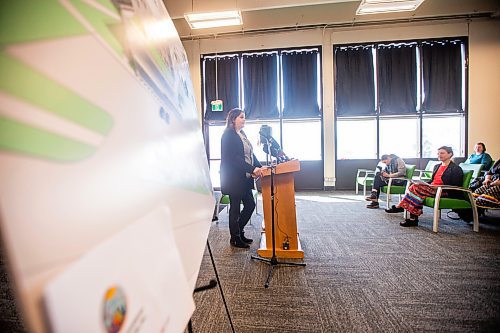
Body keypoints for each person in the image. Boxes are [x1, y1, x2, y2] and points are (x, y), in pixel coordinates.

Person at [385, 146, 463, 227]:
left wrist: (438, 187)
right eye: (438, 153)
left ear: (450, 154)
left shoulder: (456, 168)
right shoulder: (437, 166)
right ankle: (412, 218)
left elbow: (455, 185)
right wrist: (424, 183)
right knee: (415, 186)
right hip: (432, 188)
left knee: (416, 189)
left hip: (443, 191)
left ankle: (403, 207)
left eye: (442, 153)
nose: (439, 155)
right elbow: (432, 180)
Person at [220, 108, 265, 248]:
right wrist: (252, 169)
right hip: (234, 179)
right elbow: (234, 159)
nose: (244, 119)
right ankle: (235, 238)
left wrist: (259, 166)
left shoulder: (242, 134)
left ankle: (238, 231)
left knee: (250, 205)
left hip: (245, 178)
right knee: (235, 208)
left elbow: (250, 154)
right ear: (233, 119)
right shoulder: (228, 135)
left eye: (244, 117)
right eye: (241, 117)